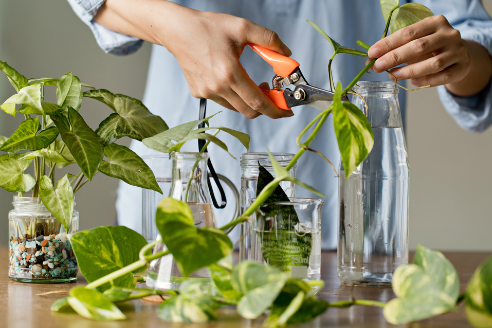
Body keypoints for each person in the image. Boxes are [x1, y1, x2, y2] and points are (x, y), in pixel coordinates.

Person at [68, 0, 492, 249]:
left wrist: (460, 59)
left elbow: (473, 38)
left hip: (341, 214)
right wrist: (176, 28)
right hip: (185, 199)